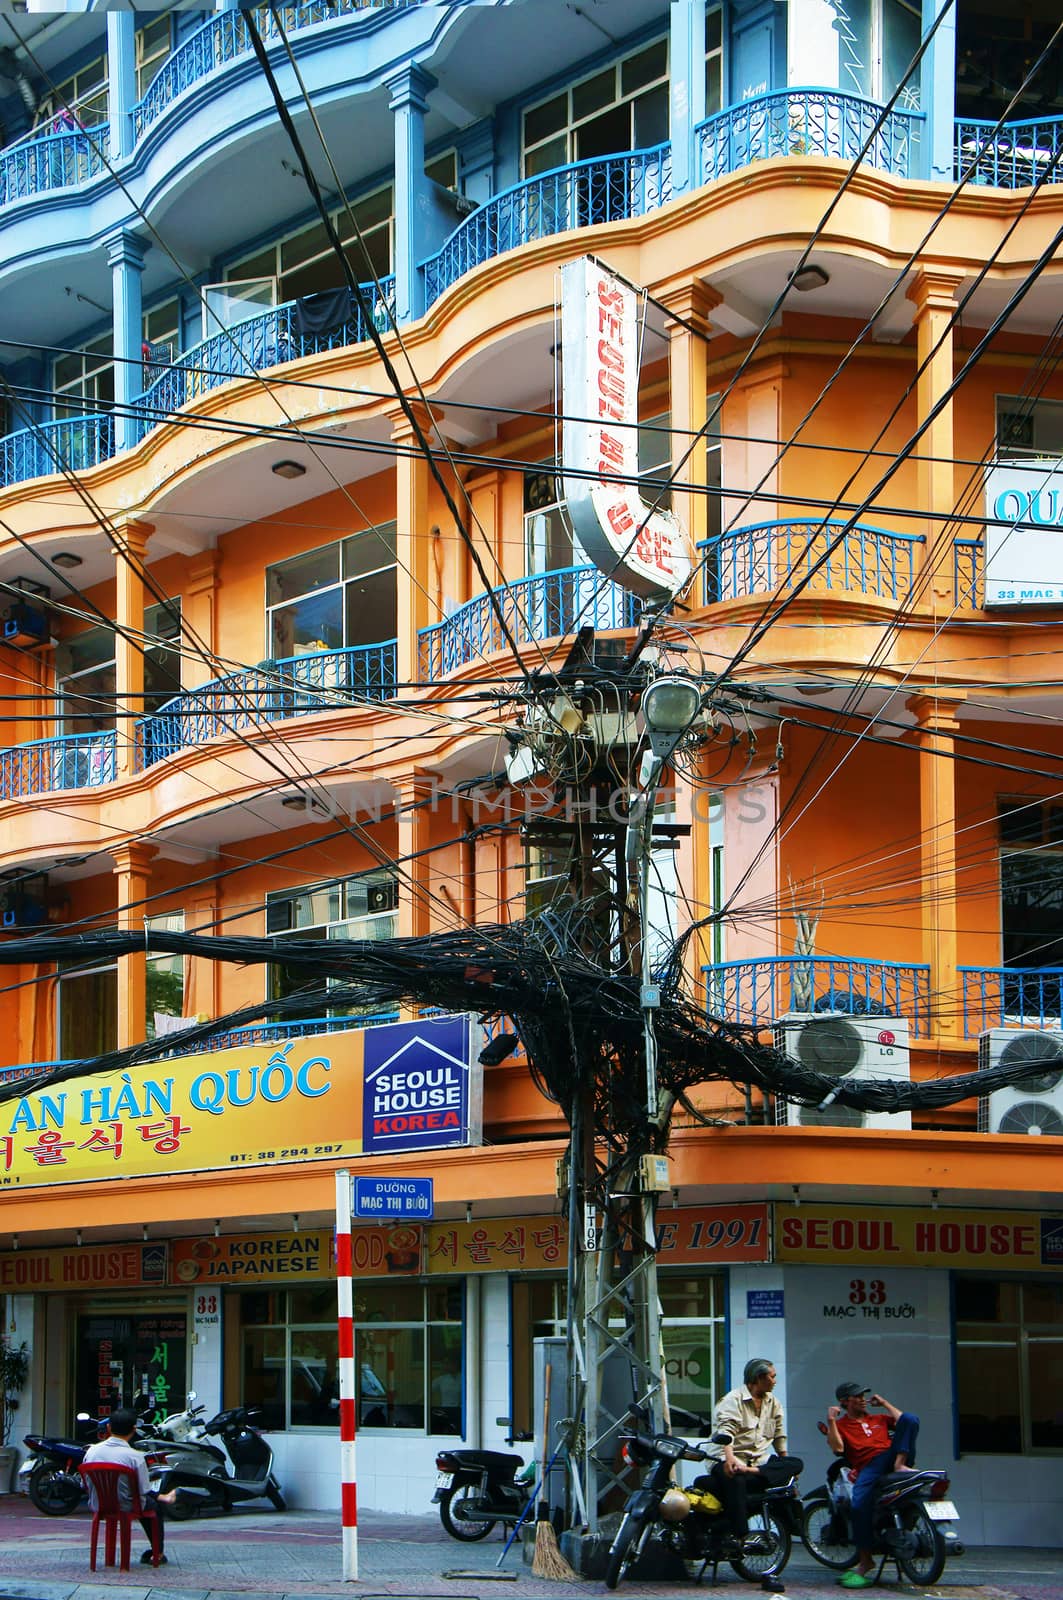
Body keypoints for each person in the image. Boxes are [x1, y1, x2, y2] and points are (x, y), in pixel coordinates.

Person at [700, 1358, 803, 1553]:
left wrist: (783, 1459)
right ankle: (740, 1535)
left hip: (756, 1462)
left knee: (795, 1464)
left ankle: (752, 1473)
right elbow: (726, 1433)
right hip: (726, 1457)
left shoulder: (773, 1403)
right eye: (772, 1377)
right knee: (736, 1479)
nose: (775, 1381)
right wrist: (729, 1459)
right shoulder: (733, 1400)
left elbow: (779, 1435)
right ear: (758, 1378)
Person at [826, 1382, 920, 1588]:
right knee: (858, 1506)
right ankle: (865, 1559)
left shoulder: (878, 1418)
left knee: (911, 1418)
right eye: (856, 1396)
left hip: (891, 1457)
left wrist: (885, 1403)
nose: (862, 1399)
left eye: (863, 1395)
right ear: (844, 1402)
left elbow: (906, 1422)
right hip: (868, 1466)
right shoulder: (841, 1425)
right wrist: (831, 1420)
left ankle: (900, 1464)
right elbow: (838, 1448)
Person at [82, 1407, 178, 1565]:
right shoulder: (135, 1456)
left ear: (108, 1427)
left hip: (98, 1504)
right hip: (127, 1506)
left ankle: (164, 1498)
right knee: (154, 1507)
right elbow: (144, 1489)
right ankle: (158, 1553)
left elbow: (84, 1483)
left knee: (144, 1499)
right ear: (134, 1429)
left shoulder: (91, 1451)